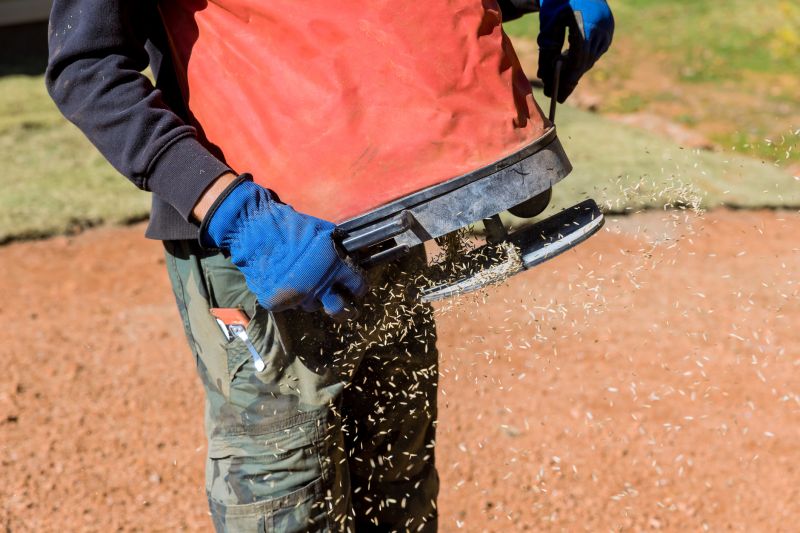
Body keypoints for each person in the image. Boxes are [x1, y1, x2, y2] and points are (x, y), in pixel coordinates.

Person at [46, 0, 612, 531]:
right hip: (260, 240)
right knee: (288, 491)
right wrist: (230, 210)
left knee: (398, 473)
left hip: (397, 205)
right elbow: (87, 68)